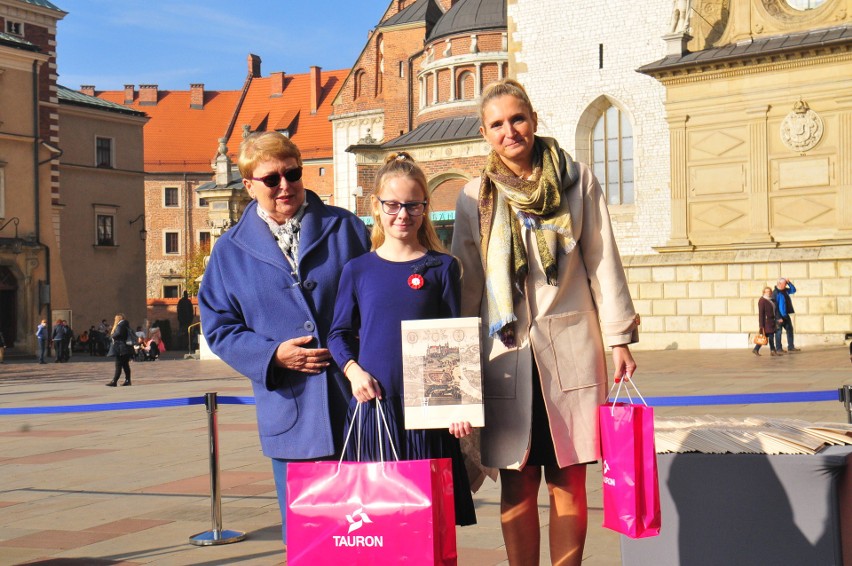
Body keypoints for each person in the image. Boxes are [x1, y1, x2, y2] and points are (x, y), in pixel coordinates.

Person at [451, 78, 639, 565]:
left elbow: (602, 261)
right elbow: (468, 283)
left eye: (517, 119)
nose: (509, 131)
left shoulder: (577, 179)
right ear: (484, 133)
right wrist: (457, 362)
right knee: (515, 482)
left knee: (569, 480)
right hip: (505, 355)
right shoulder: (474, 197)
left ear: (533, 119)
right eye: (497, 124)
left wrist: (619, 338)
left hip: (571, 348)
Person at [198, 131, 371, 545]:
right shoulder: (230, 250)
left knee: (367, 532)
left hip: (355, 401)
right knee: (309, 537)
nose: (285, 186)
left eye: (292, 173)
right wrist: (272, 354)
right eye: (271, 179)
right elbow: (220, 325)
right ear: (248, 185)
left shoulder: (344, 228)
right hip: (289, 410)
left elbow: (375, 302)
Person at [328, 152, 476, 526]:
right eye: (392, 205)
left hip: (428, 412)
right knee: (379, 521)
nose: (402, 215)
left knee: (430, 522)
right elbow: (339, 333)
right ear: (376, 207)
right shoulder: (358, 269)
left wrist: (457, 406)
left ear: (425, 208)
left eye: (413, 205)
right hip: (377, 407)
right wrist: (352, 371)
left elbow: (453, 338)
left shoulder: (442, 267)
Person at [105, 314, 134, 386]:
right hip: (125, 347)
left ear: (118, 319)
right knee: (125, 365)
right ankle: (128, 380)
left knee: (118, 364)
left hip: (120, 348)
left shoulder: (120, 325)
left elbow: (117, 334)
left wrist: (111, 336)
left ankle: (114, 381)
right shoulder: (126, 324)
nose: (114, 320)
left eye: (115, 318)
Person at [753, 286, 781, 357]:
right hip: (766, 322)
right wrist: (761, 326)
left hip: (772, 321)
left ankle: (756, 349)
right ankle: (772, 351)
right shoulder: (762, 301)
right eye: (767, 291)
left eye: (769, 291)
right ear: (764, 292)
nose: (768, 293)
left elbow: (776, 310)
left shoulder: (772, 300)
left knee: (766, 336)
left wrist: (778, 318)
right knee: (770, 336)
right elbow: (761, 314)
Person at [773, 278, 799, 352]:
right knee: (778, 333)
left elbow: (793, 290)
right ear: (779, 284)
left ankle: (791, 346)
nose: (786, 285)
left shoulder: (785, 291)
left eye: (786, 284)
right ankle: (779, 348)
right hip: (779, 316)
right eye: (785, 284)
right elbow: (775, 307)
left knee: (790, 330)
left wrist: (789, 283)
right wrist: (778, 317)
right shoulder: (775, 293)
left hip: (785, 315)